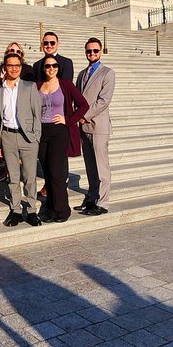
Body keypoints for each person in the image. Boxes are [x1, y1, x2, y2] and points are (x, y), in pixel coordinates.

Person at [37, 57, 88, 223]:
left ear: (58, 67)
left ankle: (62, 209)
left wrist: (68, 119)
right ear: (43, 68)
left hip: (59, 131)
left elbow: (83, 105)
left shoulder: (66, 85)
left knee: (57, 172)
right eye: (48, 66)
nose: (51, 68)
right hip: (42, 132)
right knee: (47, 171)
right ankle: (51, 208)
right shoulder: (38, 86)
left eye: (54, 65)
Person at [0, 52, 42, 228]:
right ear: (4, 67)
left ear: (21, 67)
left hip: (27, 137)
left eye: (17, 65)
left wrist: (36, 137)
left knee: (30, 177)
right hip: (7, 136)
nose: (13, 69)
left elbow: (37, 114)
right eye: (10, 65)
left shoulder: (30, 87)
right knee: (13, 177)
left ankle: (31, 210)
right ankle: (15, 210)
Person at [75, 38, 115, 216]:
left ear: (101, 51)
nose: (92, 53)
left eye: (95, 51)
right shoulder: (82, 74)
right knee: (90, 166)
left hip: (98, 126)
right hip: (84, 127)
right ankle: (91, 198)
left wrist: (84, 116)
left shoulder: (108, 73)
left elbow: (104, 101)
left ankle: (103, 202)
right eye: (89, 51)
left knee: (101, 167)